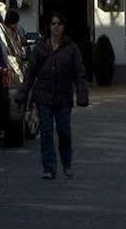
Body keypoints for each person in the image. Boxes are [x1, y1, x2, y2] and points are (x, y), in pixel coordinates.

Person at [26, 13, 89, 180]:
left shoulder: (71, 48)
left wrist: (82, 93)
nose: (56, 27)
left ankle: (67, 163)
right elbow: (30, 73)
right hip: (44, 96)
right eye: (53, 23)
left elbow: (79, 73)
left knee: (64, 132)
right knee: (46, 132)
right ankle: (49, 168)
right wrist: (23, 93)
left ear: (64, 27)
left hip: (63, 97)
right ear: (49, 26)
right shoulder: (40, 47)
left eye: (59, 24)